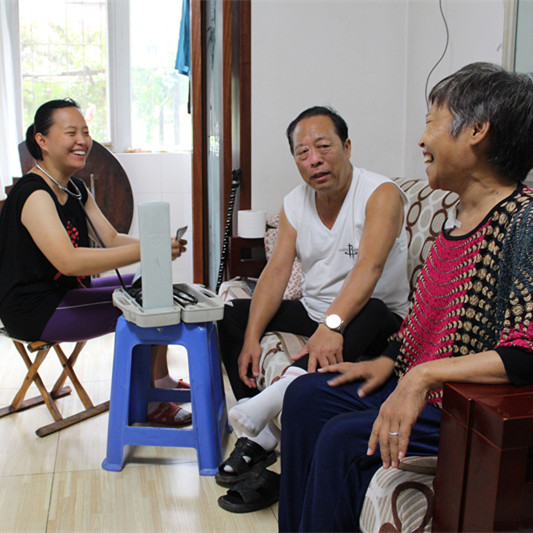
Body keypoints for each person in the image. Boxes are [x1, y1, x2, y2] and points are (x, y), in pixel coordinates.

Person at [278, 62, 533, 532]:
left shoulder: (524, 221)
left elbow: (525, 353)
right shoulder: (456, 225)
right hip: (420, 387)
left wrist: (422, 375)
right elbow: (421, 327)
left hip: (460, 410)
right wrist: (388, 362)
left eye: (432, 122)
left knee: (341, 439)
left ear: (476, 131)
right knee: (305, 396)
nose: (421, 140)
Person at [216, 106, 411, 509]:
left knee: (374, 310)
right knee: (229, 315)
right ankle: (260, 435)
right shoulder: (295, 203)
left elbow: (370, 266)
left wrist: (332, 326)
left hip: (375, 318)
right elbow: (275, 272)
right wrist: (252, 337)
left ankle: (273, 400)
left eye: (324, 147)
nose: (314, 160)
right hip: (313, 309)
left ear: (346, 146)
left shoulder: (381, 193)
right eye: (302, 153)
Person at [0, 98, 191, 426]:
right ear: (42, 141)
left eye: (86, 132)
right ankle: (148, 401)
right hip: (34, 309)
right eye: (71, 132)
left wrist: (159, 246)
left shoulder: (75, 188)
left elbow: (111, 238)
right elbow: (70, 261)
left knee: (155, 285)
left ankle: (159, 380)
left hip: (64, 296)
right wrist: (151, 250)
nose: (82, 141)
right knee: (146, 303)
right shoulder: (34, 194)